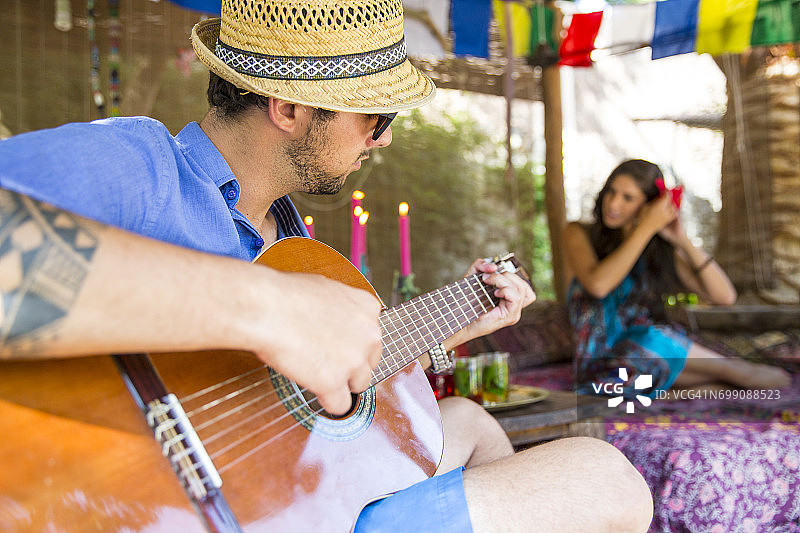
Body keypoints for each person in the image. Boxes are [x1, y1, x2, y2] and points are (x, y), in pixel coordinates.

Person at [0, 1, 654, 531]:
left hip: (269, 493)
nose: (386, 137)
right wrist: (266, 305)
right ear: (288, 108)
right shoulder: (136, 166)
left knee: (470, 424)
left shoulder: (289, 238)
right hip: (133, 505)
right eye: (376, 116)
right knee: (605, 475)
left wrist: (449, 327)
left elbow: (268, 403)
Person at [563, 159, 791, 398]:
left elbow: (724, 296)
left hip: (651, 356)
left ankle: (719, 379)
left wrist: (681, 239)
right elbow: (598, 286)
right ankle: (727, 376)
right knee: (654, 342)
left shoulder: (657, 250)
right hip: (607, 364)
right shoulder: (579, 232)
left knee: (656, 341)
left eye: (627, 197)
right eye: (611, 191)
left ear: (648, 205)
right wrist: (646, 228)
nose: (613, 203)